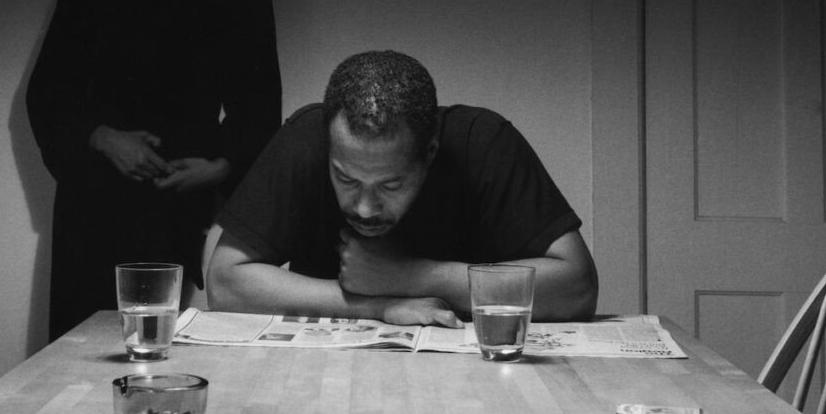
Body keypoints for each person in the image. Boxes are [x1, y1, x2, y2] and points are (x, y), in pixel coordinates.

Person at [27, 0, 282, 340]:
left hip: (180, 196)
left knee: (168, 343)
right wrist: (103, 137)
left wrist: (218, 165)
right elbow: (48, 92)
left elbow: (259, 101)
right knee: (79, 350)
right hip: (95, 195)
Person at [207, 50, 597, 327]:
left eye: (390, 184)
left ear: (429, 152)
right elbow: (225, 283)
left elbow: (576, 287)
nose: (363, 207)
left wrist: (411, 276)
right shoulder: (309, 137)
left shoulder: (484, 143)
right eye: (346, 179)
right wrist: (378, 305)